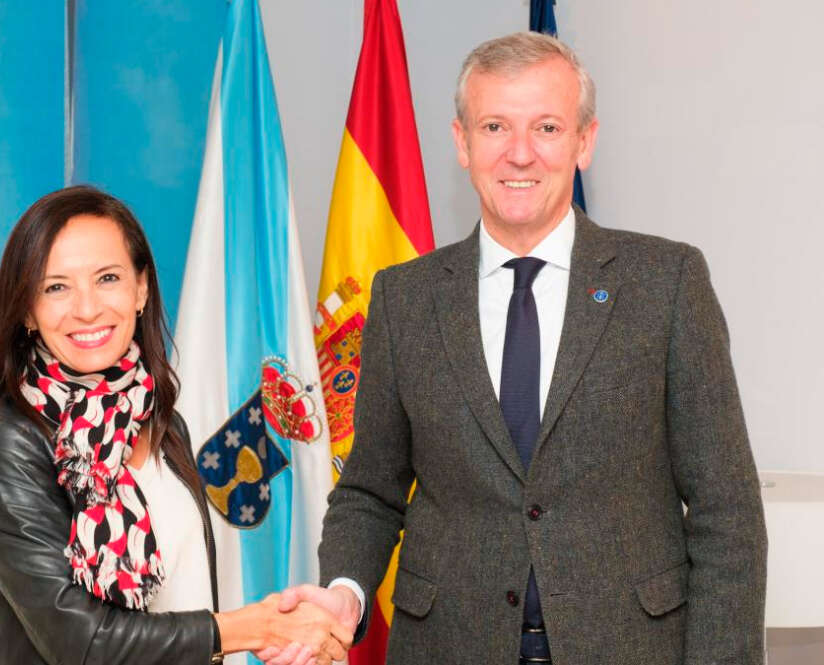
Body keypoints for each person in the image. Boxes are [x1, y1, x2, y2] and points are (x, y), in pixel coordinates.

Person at [262, 31, 767, 665]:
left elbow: (728, 514)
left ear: (584, 141)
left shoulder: (666, 284)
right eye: (496, 126)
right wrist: (347, 592)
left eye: (547, 127)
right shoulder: (405, 298)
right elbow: (370, 490)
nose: (520, 153)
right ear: (462, 143)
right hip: (447, 647)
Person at [0, 185, 351, 665]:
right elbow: (80, 642)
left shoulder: (162, 419)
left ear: (141, 288)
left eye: (107, 278)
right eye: (55, 286)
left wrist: (279, 633)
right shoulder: (9, 447)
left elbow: (188, 596)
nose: (87, 308)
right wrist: (254, 627)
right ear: (26, 309)